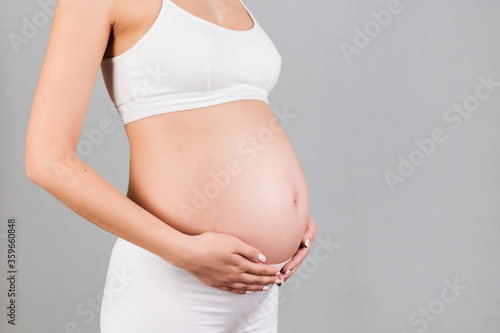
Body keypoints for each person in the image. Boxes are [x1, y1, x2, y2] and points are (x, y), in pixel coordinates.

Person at [25, 0, 318, 331]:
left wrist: (289, 216)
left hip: (261, 292)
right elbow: (47, 160)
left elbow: (235, 117)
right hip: (170, 284)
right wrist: (184, 252)